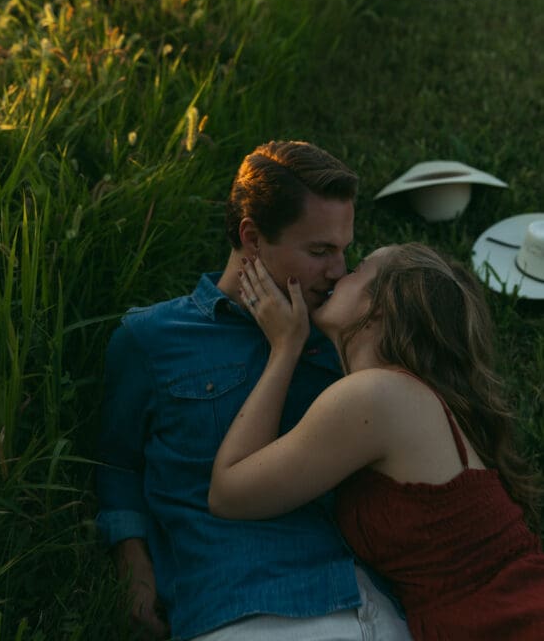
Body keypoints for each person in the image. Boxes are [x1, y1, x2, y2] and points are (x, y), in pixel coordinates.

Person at [96, 140, 412, 640]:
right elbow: (117, 464)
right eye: (319, 251)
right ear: (253, 238)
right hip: (248, 608)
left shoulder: (340, 332)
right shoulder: (152, 340)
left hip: (374, 604)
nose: (338, 271)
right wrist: (131, 560)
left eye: (343, 249)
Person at [209, 243, 544, 639]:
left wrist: (285, 349)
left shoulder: (376, 397)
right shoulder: (401, 400)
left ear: (381, 306)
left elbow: (229, 495)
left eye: (358, 269)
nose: (338, 274)